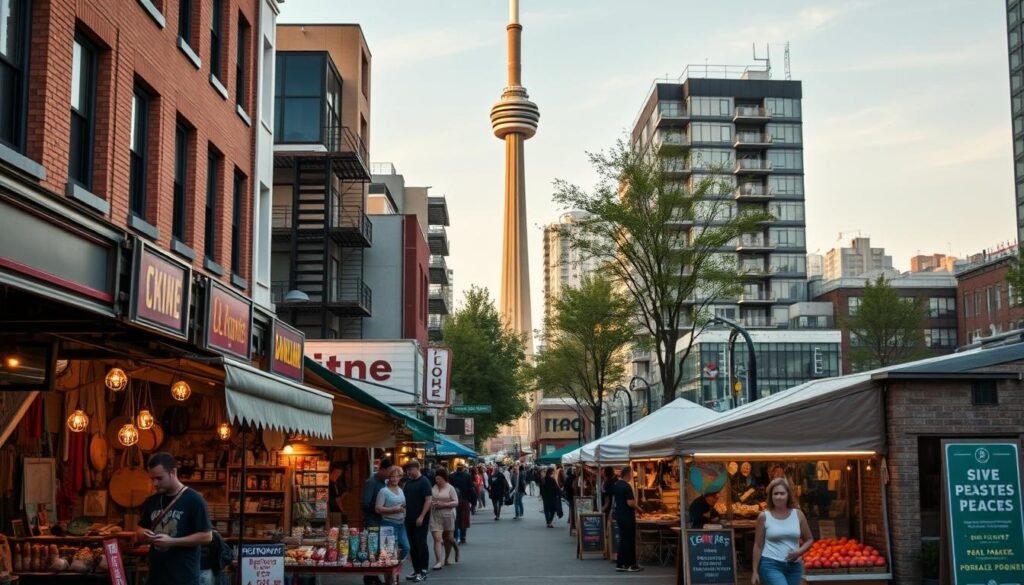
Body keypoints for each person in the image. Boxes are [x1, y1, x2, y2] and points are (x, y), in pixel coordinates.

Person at [135, 452, 213, 585]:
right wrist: (143, 534)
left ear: (173, 472)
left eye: (159, 478)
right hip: (156, 577)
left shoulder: (194, 500)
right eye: (152, 478)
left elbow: (207, 536)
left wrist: (172, 541)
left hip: (183, 577)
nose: (155, 483)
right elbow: (140, 527)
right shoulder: (151, 501)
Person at [752, 478, 814, 585]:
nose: (779, 497)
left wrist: (799, 552)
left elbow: (809, 539)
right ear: (771, 497)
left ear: (788, 495)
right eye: (775, 493)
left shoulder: (798, 514)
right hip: (771, 564)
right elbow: (758, 545)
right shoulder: (764, 516)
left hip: (794, 566)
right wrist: (754, 572)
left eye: (782, 493)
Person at [361, 458, 392, 585]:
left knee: (379, 549)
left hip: (381, 520)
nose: (390, 474)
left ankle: (374, 576)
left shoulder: (384, 482)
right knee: (372, 548)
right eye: (389, 471)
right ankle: (369, 577)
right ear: (382, 469)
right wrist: (379, 507)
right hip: (372, 520)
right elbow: (365, 503)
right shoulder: (371, 482)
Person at [401, 461, 432, 583]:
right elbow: (405, 499)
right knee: (412, 545)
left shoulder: (424, 481)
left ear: (417, 469)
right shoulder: (408, 482)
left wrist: (422, 516)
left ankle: (423, 571)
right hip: (408, 518)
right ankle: (416, 570)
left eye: (411, 470)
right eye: (408, 470)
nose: (409, 472)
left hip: (420, 519)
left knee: (421, 544)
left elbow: (428, 500)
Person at [611, 465, 643, 573]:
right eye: (631, 473)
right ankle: (631, 565)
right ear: (628, 473)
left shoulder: (616, 485)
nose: (632, 476)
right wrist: (639, 509)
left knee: (623, 540)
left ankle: (620, 564)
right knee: (629, 540)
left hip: (619, 515)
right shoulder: (626, 486)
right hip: (627, 517)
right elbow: (630, 502)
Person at [375, 467, 410, 563]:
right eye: (392, 477)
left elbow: (403, 504)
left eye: (397, 476)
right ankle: (390, 574)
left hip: (401, 523)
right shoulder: (383, 491)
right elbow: (378, 509)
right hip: (388, 523)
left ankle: (396, 565)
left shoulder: (400, 490)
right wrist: (393, 509)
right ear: (389, 477)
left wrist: (404, 508)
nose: (395, 479)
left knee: (406, 547)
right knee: (389, 552)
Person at [429, 468, 460, 570]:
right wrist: (432, 503)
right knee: (437, 538)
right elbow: (429, 499)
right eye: (436, 479)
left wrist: (444, 504)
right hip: (435, 515)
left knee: (449, 539)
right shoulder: (433, 487)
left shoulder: (450, 488)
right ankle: (438, 561)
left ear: (444, 479)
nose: (437, 481)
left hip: (448, 515)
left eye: (439, 479)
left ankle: (451, 553)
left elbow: (456, 502)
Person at [448, 464, 473, 544]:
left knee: (455, 519)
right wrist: (472, 500)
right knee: (464, 519)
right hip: (465, 500)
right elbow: (471, 488)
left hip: (454, 500)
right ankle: (463, 536)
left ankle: (456, 536)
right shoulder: (468, 476)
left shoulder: (451, 476)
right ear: (463, 469)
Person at [328, 462, 348, 527]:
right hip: (333, 510)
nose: (338, 475)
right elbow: (337, 499)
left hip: (333, 509)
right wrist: (342, 510)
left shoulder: (334, 483)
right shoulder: (332, 484)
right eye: (338, 473)